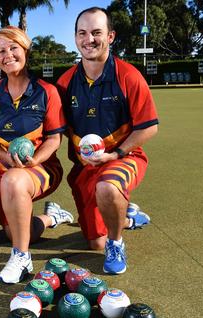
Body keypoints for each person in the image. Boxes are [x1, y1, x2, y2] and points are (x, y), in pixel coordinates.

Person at [56, 7, 158, 275]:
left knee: (108, 187)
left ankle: (117, 242)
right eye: (82, 33)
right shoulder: (65, 82)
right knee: (93, 242)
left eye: (96, 32)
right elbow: (59, 127)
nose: (89, 39)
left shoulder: (128, 76)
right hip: (85, 166)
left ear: (110, 36)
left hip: (124, 157)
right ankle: (125, 216)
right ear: (76, 38)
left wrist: (116, 154)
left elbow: (149, 127)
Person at [0, 27, 73, 284]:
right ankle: (52, 216)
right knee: (15, 231)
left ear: (25, 50)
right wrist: (4, 156)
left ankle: (21, 257)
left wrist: (34, 160)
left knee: (15, 182)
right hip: (2, 172)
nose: (8, 55)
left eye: (14, 48)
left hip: (42, 167)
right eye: (1, 51)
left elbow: (55, 139)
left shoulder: (46, 91)